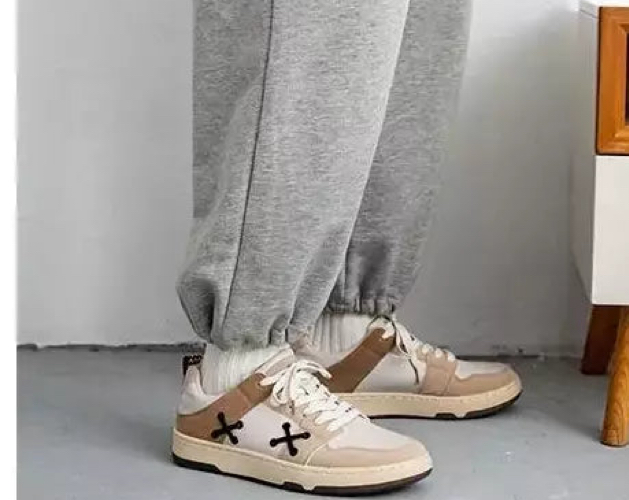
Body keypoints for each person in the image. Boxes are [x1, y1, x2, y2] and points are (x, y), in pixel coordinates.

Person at [170, 0, 521, 494]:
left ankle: (344, 337)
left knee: (413, 32)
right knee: (315, 22)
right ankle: (236, 376)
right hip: (237, 377)